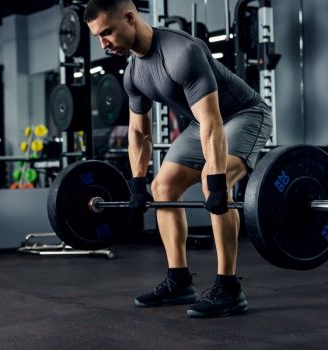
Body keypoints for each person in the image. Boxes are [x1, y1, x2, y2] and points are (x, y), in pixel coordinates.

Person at [84, 0, 272, 318]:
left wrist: (214, 183)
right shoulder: (133, 74)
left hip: (244, 115)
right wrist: (138, 183)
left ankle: (229, 288)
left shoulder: (181, 52)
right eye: (98, 38)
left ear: (129, 17)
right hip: (202, 123)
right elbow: (139, 133)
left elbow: (213, 120)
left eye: (107, 33)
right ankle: (179, 280)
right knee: (163, 187)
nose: (104, 44)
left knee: (218, 180)